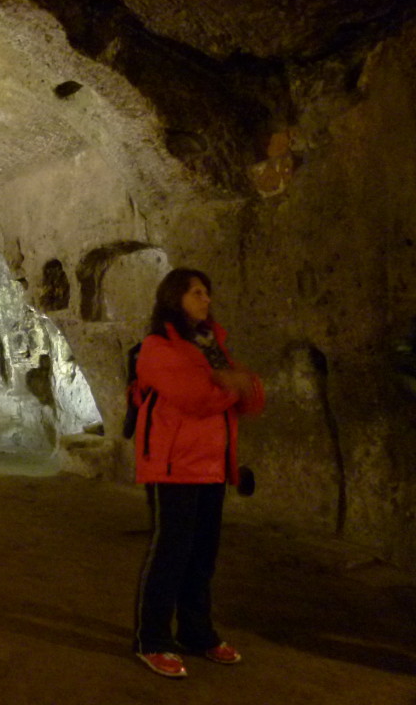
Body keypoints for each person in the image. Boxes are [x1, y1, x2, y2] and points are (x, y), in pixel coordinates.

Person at [132, 267, 264, 678]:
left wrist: (231, 382)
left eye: (207, 292)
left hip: (211, 466)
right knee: (170, 553)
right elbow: (195, 398)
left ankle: (196, 632)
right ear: (175, 298)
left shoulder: (211, 346)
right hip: (174, 466)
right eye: (196, 292)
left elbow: (253, 398)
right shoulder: (156, 348)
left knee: (202, 556)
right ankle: (151, 639)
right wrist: (230, 384)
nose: (206, 300)